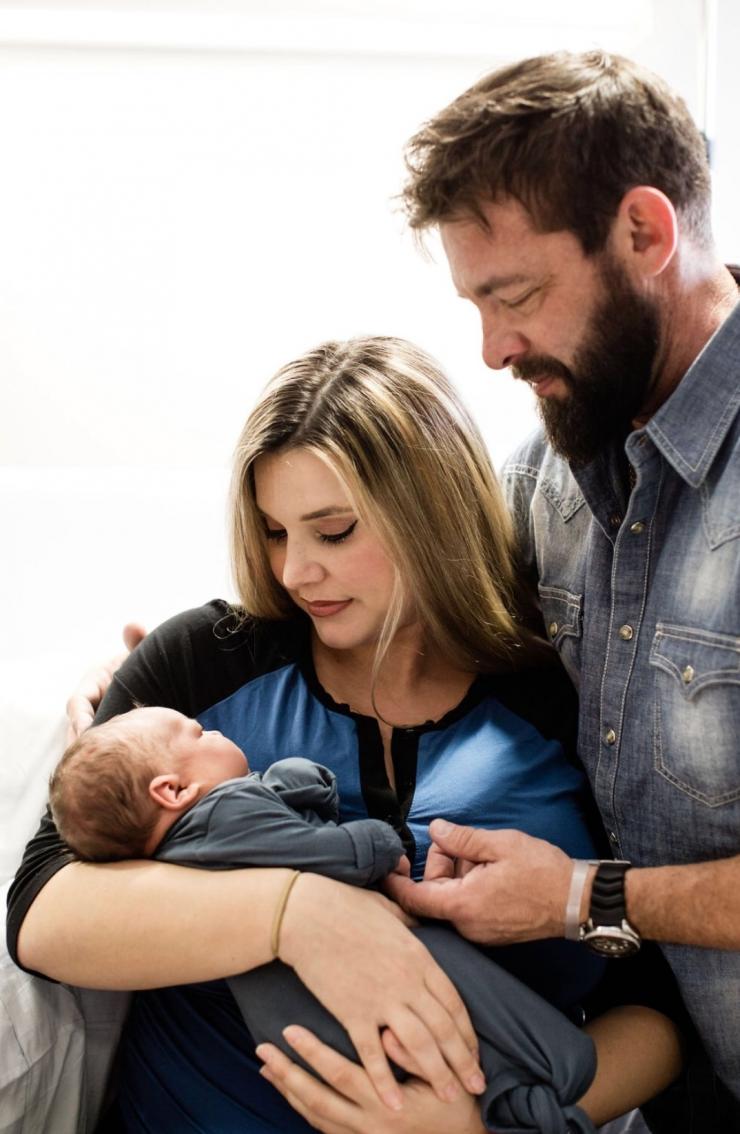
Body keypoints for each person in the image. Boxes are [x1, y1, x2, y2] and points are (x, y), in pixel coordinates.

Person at [7, 337, 685, 1132]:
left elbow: (654, 1010)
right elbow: (43, 912)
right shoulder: (202, 663)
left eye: (332, 533)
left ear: (428, 514)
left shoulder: (553, 699)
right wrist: (297, 914)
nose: (296, 574)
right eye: (272, 532)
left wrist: (480, 1127)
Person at [261, 49, 740, 1130]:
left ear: (645, 234)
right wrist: (177, 671)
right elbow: (399, 591)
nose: (488, 349)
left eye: (514, 296)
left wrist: (582, 896)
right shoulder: (546, 476)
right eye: (471, 302)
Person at [47, 705, 611, 1134]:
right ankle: (546, 1094)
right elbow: (322, 848)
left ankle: (526, 1108)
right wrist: (382, 842)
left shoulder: (167, 865)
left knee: (429, 1062)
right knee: (486, 1025)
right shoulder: (224, 811)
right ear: (173, 789)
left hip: (293, 1028)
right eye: (196, 735)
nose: (213, 730)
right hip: (354, 982)